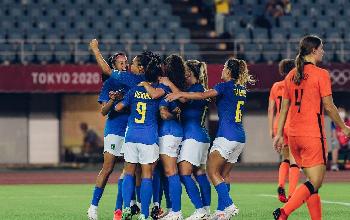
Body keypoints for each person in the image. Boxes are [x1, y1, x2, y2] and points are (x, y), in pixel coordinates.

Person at [272, 35, 350, 220]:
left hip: (294, 136)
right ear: (314, 50)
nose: (323, 51)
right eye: (321, 48)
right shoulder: (321, 74)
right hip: (312, 135)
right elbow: (329, 107)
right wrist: (344, 127)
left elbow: (284, 109)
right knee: (315, 182)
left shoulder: (291, 75)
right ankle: (283, 213)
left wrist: (278, 135)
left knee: (310, 183)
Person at [166, 57, 255, 219]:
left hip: (226, 136)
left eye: (224, 68)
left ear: (228, 71)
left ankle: (229, 205)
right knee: (223, 174)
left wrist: (178, 93)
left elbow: (201, 94)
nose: (222, 70)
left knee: (212, 171)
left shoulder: (224, 86)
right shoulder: (240, 88)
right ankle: (221, 212)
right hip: (240, 137)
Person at [87, 39, 144, 220]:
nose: (125, 64)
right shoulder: (110, 83)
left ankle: (119, 210)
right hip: (114, 129)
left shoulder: (133, 79)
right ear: (114, 65)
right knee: (108, 168)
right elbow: (104, 111)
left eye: (126, 62)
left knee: (131, 170)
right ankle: (93, 207)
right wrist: (113, 99)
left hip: (131, 130)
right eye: (121, 62)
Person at [114, 52, 166, 220]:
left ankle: (127, 209)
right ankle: (144, 214)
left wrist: (118, 100)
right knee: (147, 176)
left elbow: (118, 108)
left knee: (128, 173)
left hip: (131, 137)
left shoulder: (134, 89)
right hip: (149, 137)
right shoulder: (159, 90)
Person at [164, 59, 212, 219]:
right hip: (202, 136)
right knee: (199, 173)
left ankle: (199, 210)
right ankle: (206, 209)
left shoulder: (195, 89)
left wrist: (169, 83)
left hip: (193, 136)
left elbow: (183, 99)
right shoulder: (201, 89)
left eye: (185, 71)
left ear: (189, 73)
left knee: (184, 174)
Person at [268, 59, 300, 203]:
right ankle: (292, 194)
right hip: (292, 125)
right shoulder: (297, 85)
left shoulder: (276, 86)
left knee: (284, 158)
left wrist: (271, 129)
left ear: (282, 71)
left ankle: (281, 185)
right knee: (295, 161)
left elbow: (271, 109)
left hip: (278, 126)